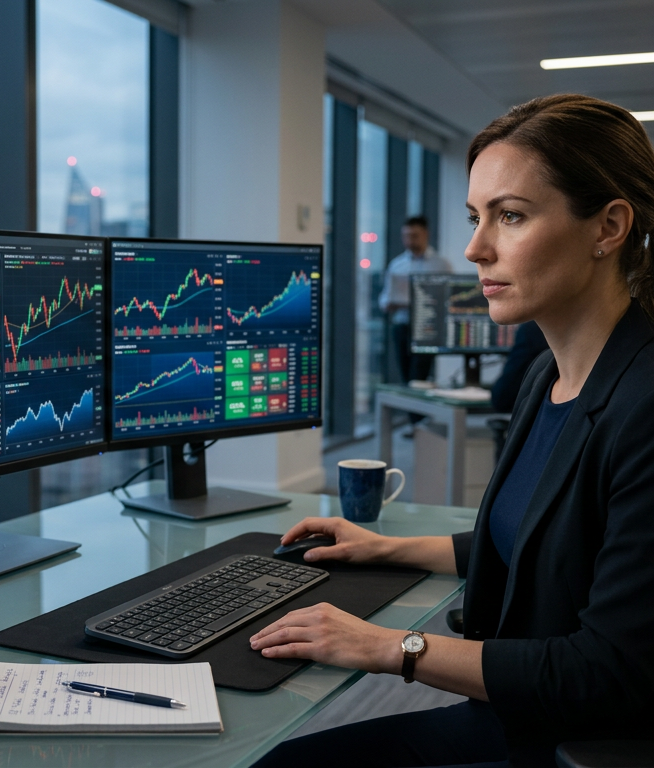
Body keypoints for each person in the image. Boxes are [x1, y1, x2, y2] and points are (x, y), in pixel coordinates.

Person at [251, 94, 654, 768]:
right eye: (475, 218)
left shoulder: (643, 406)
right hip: (516, 716)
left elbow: (610, 670)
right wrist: (384, 548)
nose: (474, 248)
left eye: (511, 216)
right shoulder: (546, 380)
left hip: (573, 741)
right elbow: (542, 537)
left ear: (608, 227)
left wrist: (390, 648)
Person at [378, 216, 452, 382]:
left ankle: (417, 408)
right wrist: (390, 303)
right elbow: (384, 299)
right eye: (406, 236)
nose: (409, 240)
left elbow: (448, 297)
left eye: (414, 235)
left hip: (427, 328)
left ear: (426, 234)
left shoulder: (440, 265)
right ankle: (411, 408)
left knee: (419, 375)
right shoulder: (397, 265)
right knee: (406, 376)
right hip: (403, 325)